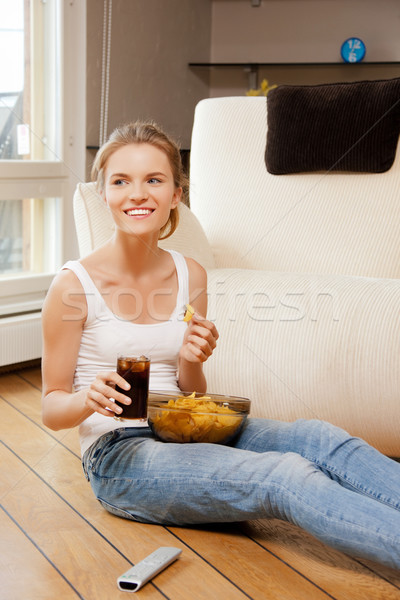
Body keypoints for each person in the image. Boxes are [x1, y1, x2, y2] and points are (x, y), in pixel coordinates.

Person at [41, 121, 400, 571]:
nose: (137, 194)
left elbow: (191, 388)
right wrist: (86, 396)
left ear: (175, 194)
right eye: (121, 181)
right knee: (286, 477)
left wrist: (192, 359)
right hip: (120, 455)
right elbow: (51, 408)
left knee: (320, 439)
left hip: (184, 426)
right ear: (105, 194)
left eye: (154, 179)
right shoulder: (73, 286)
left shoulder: (190, 274)